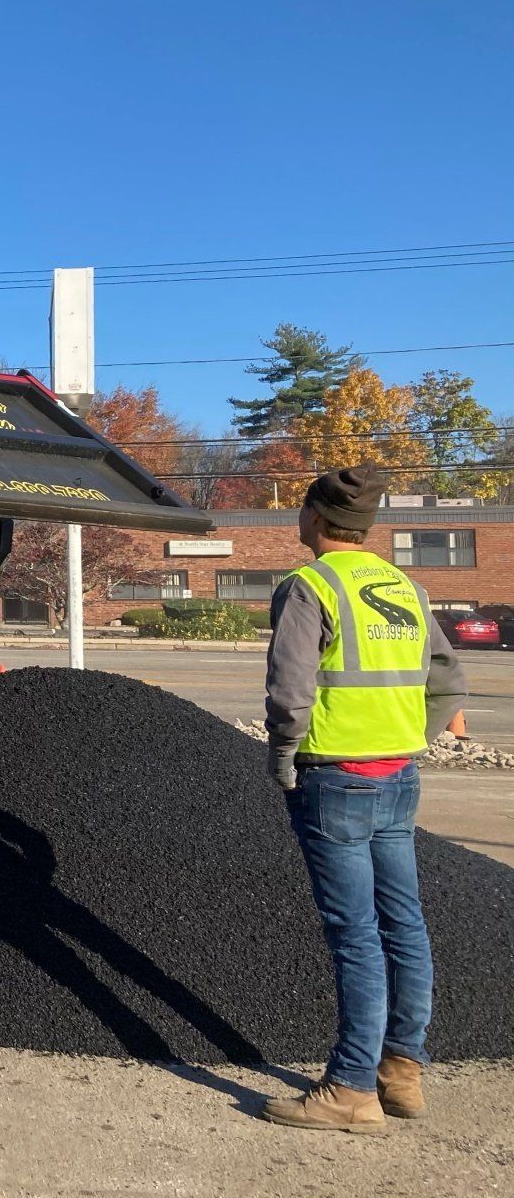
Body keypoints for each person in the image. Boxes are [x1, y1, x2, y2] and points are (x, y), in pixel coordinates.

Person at [261, 464, 467, 1133]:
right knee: (403, 922)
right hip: (398, 776)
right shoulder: (406, 584)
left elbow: (290, 694)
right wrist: (409, 737)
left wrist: (284, 761)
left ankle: (351, 1088)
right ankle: (400, 1072)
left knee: (356, 936)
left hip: (336, 780)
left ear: (316, 520)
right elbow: (447, 680)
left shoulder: (309, 585)